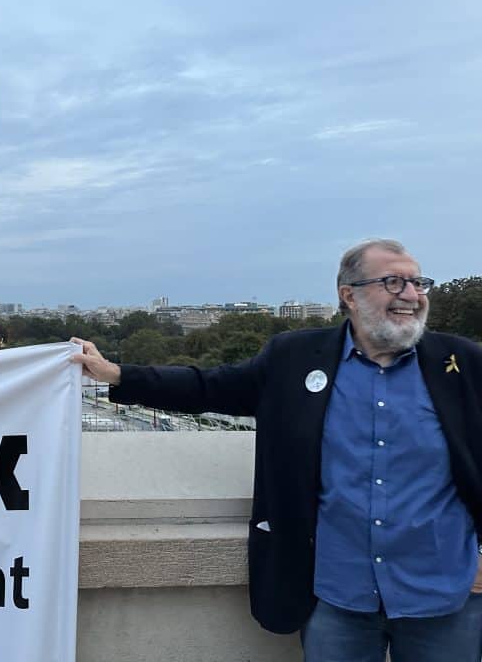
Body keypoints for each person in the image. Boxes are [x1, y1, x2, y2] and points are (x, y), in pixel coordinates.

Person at [71, 239, 482, 662]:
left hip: (444, 593)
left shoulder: (463, 364)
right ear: (349, 295)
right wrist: (117, 374)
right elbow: (209, 386)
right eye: (394, 283)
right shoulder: (295, 358)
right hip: (337, 595)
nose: (412, 296)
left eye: (418, 283)